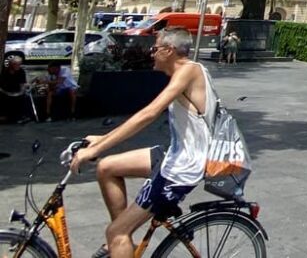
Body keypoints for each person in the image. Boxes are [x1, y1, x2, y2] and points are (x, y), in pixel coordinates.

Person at [70, 27, 218, 258]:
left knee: (116, 232)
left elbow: (148, 114)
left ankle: (119, 238)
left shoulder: (189, 70)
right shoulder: (184, 73)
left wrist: (97, 148)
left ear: (169, 51)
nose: (151, 53)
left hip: (184, 168)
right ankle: (122, 242)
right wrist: (104, 140)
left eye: (155, 48)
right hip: (174, 156)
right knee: (106, 167)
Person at [1, 53, 32, 123]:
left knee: (23, 97)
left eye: (19, 64)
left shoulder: (21, 72)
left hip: (16, 91)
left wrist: (23, 89)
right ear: (11, 64)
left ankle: (21, 116)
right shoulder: (4, 71)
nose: (18, 66)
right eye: (16, 64)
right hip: (5, 91)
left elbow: (22, 84)